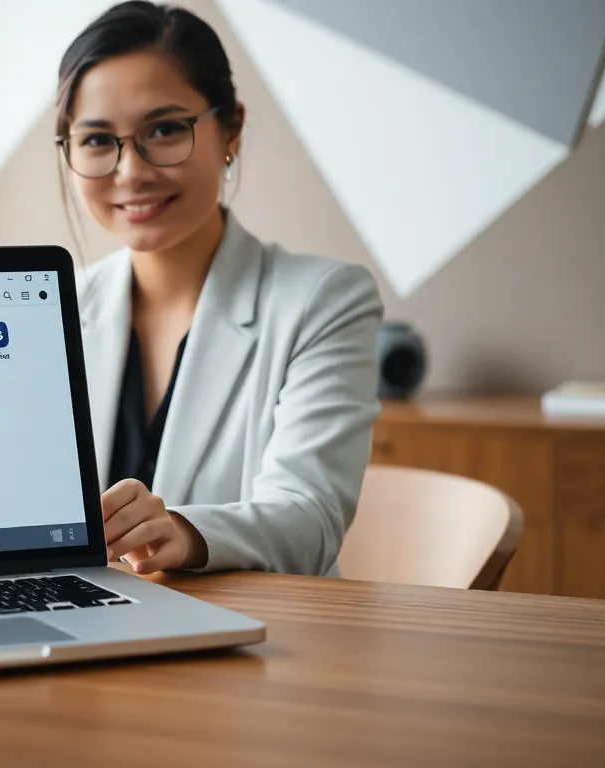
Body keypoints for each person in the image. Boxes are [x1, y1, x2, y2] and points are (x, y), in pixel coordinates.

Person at [57, 1, 382, 576]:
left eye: (164, 129)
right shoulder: (54, 307)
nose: (130, 171)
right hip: (84, 631)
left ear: (230, 129)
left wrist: (184, 530)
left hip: (253, 644)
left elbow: (311, 518)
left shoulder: (325, 300)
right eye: (98, 140)